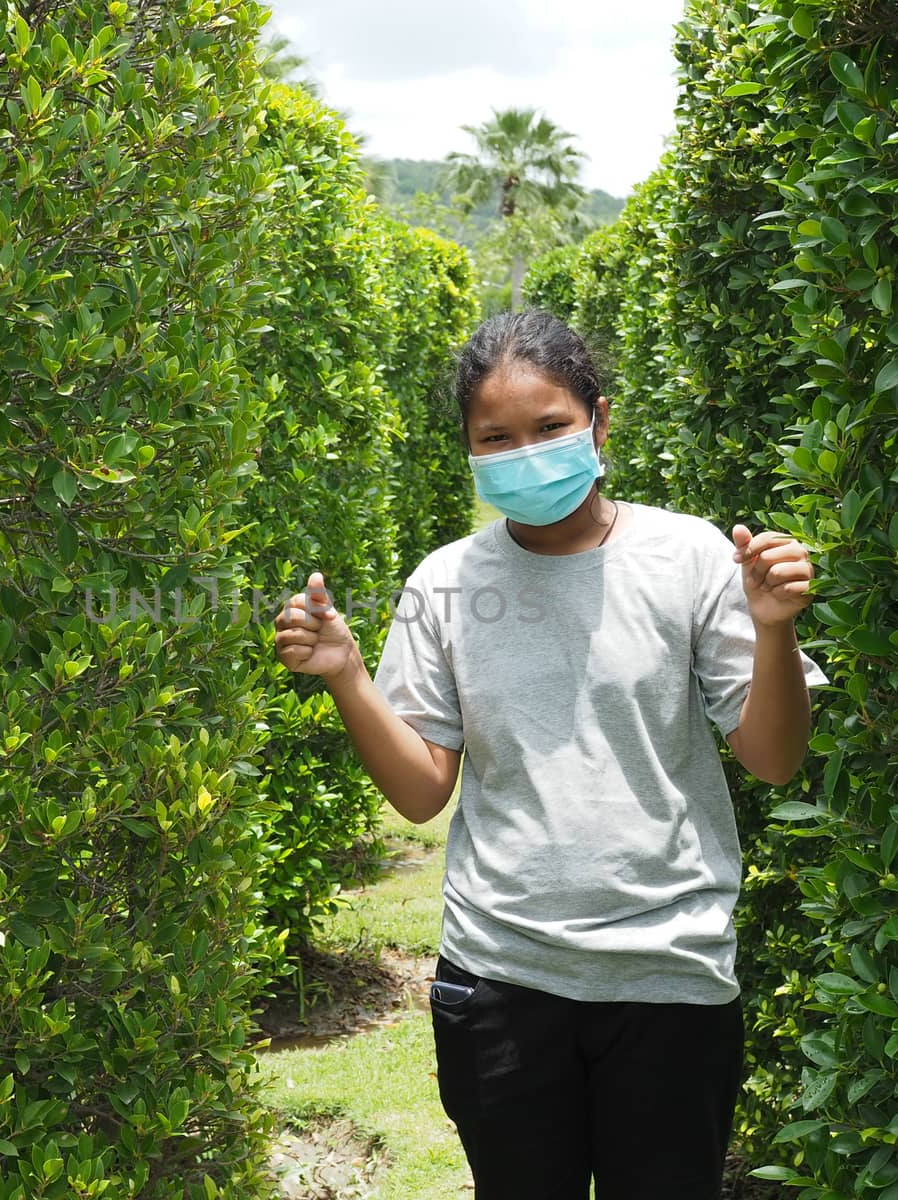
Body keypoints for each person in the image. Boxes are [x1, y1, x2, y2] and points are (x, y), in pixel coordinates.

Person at [270, 309, 829, 1199]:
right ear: (468, 448)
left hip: (669, 972)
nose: (526, 452)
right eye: (497, 437)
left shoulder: (689, 556)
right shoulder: (445, 582)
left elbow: (772, 759)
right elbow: (421, 794)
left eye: (551, 428)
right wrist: (344, 673)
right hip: (502, 977)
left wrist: (772, 631)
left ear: (599, 422)